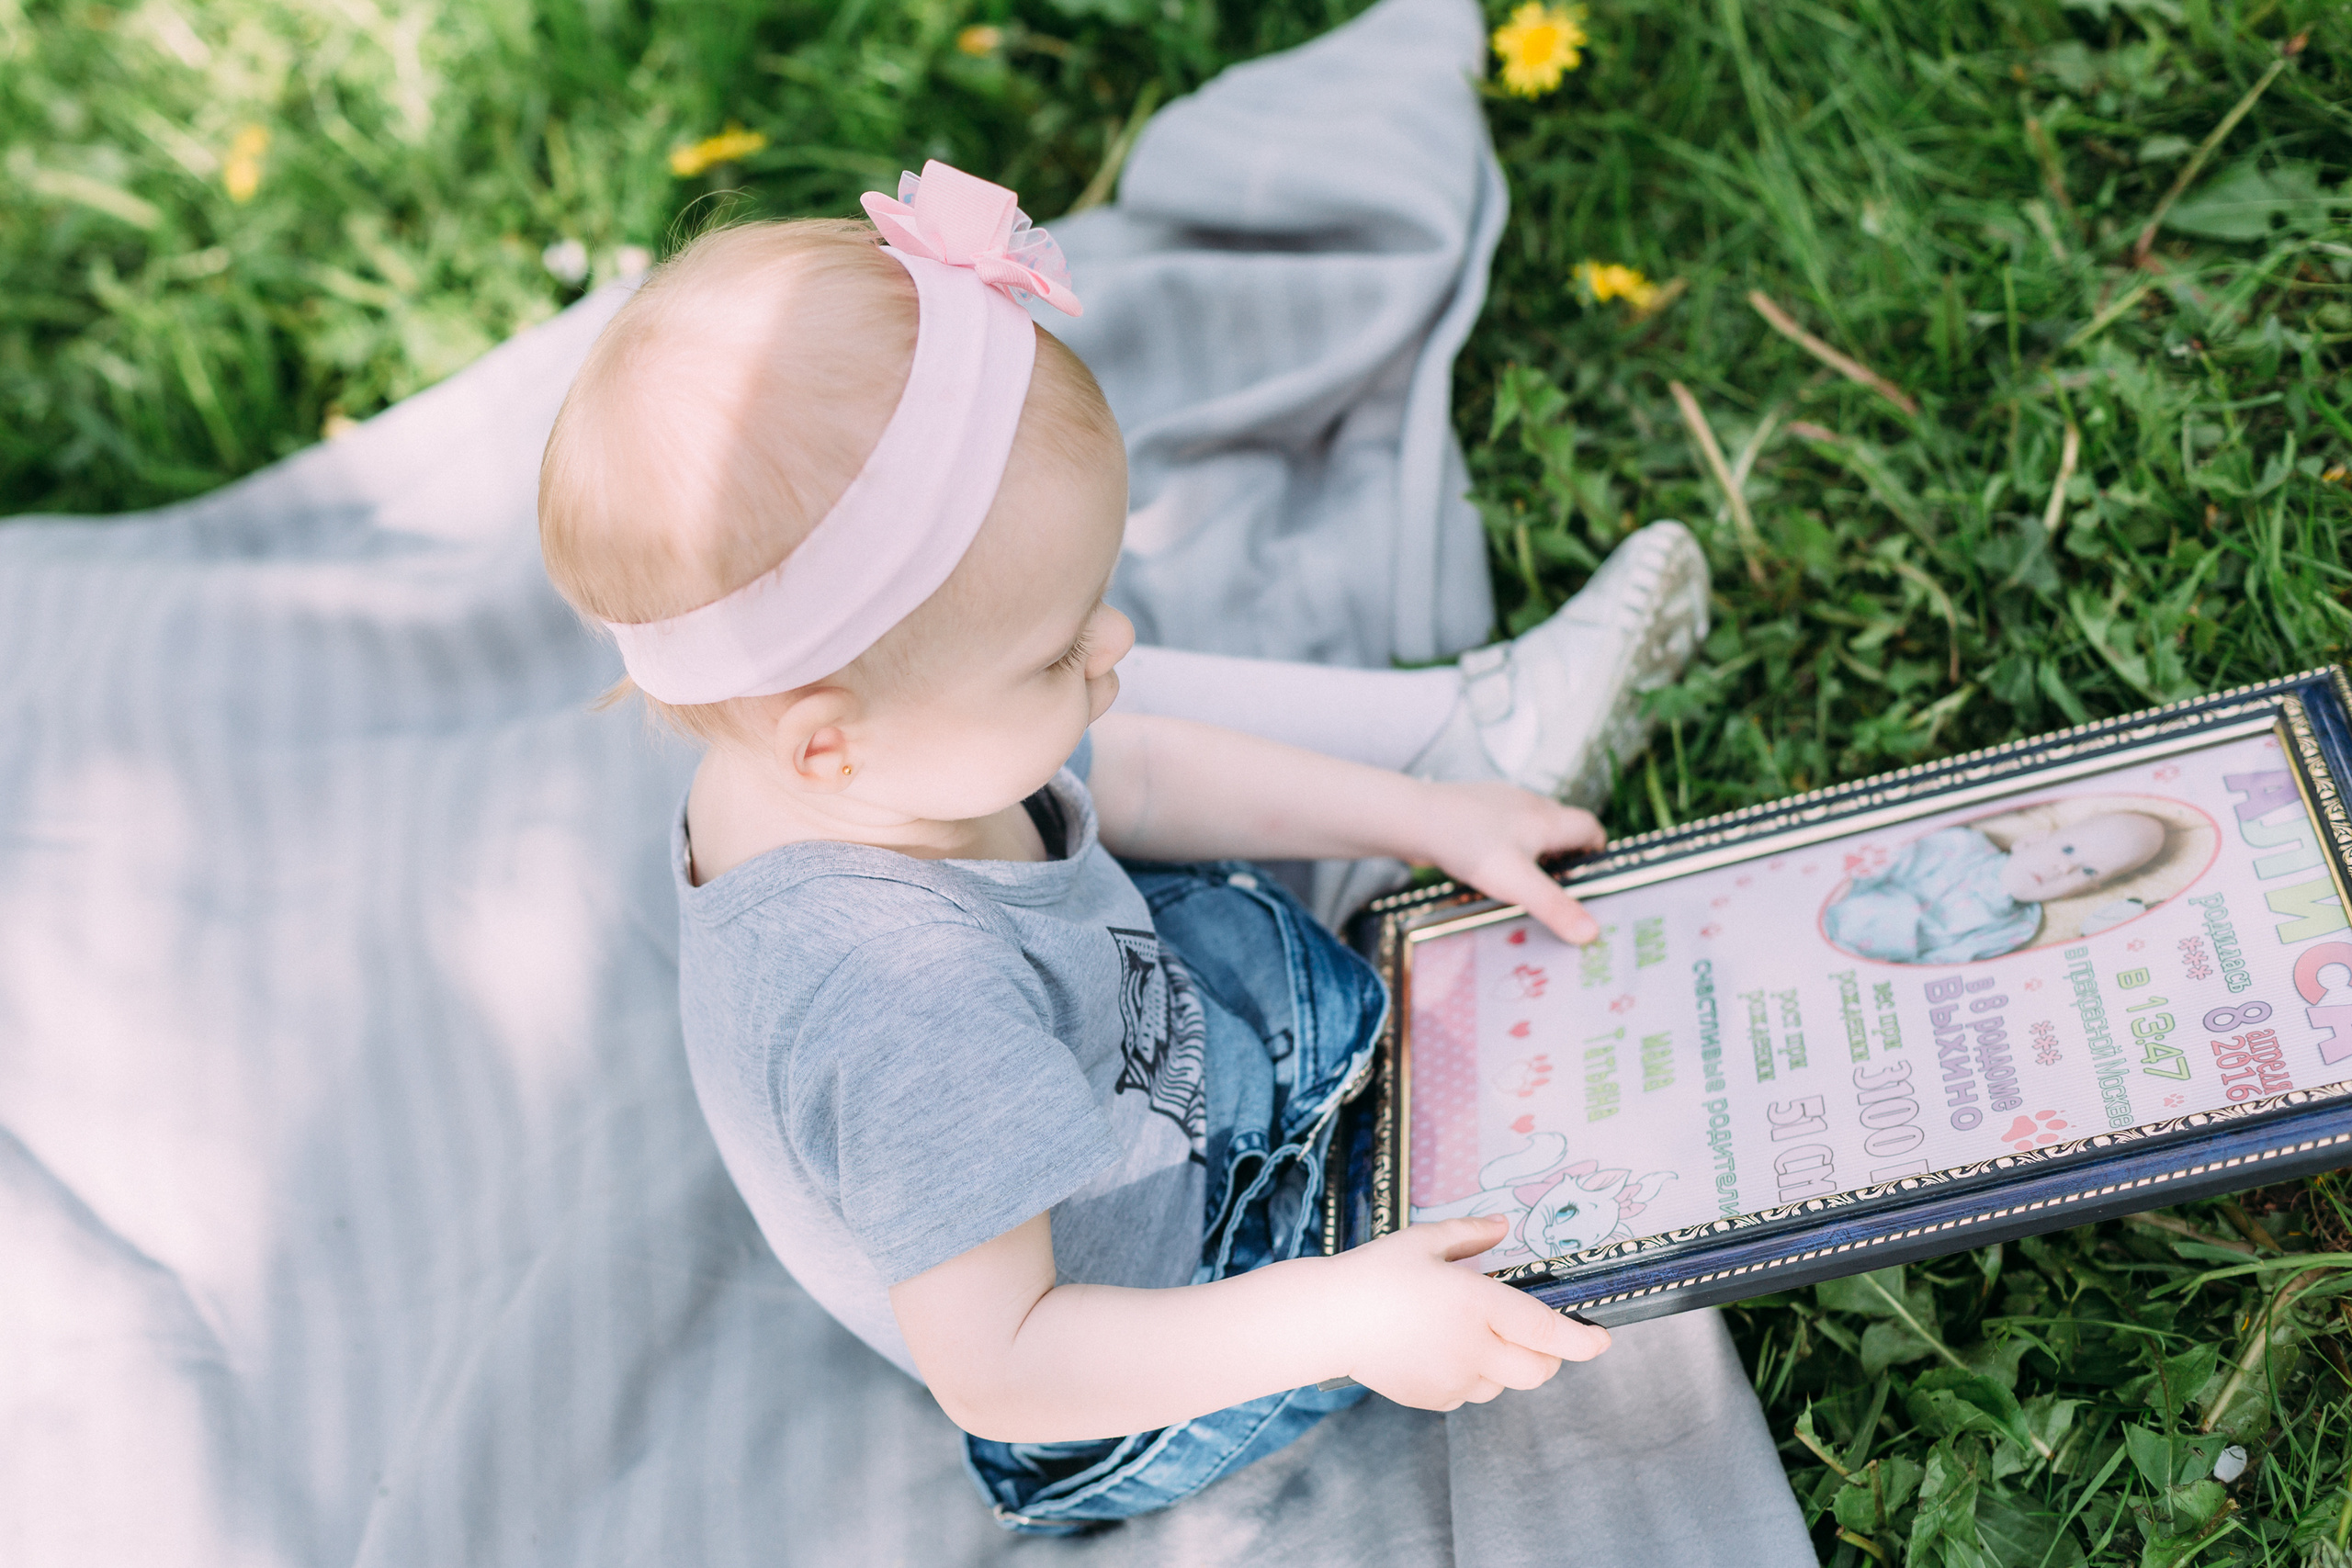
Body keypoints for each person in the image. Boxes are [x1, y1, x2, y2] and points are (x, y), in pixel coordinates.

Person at [536, 164, 1707, 1533]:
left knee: (1103, 732)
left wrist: (1423, 816)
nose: (1120, 642)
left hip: (1120, 1050)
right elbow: (1005, 1365)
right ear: (827, 742)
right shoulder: (898, 1005)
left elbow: (1128, 761)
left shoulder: (865, 760)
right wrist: (1340, 1310)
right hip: (1157, 1316)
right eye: (1057, 645)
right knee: (1520, 1209)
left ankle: (1457, 750)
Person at [1825, 810, 2168, 965]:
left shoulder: (2019, 927)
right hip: (1841, 914)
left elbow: (1948, 962)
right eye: (2067, 850)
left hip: (1874, 964)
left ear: (2085, 891)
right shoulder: (1963, 846)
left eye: (2088, 871)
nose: (2063, 868)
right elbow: (1887, 863)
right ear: (2032, 840)